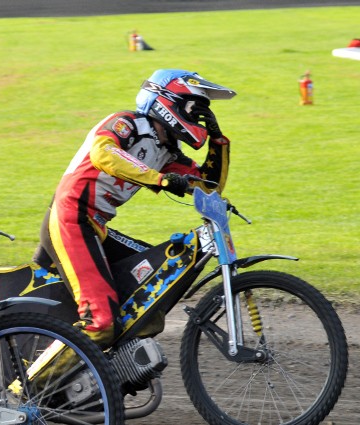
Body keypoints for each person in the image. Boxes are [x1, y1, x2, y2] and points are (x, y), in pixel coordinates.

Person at [34, 69, 236, 347]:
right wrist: (160, 179)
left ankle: (115, 370)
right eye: (193, 108)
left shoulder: (167, 151)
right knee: (100, 324)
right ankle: (26, 388)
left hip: (96, 227)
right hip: (71, 219)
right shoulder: (127, 123)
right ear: (168, 101)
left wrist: (218, 140)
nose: (198, 116)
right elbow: (103, 153)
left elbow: (208, 187)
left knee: (155, 287)